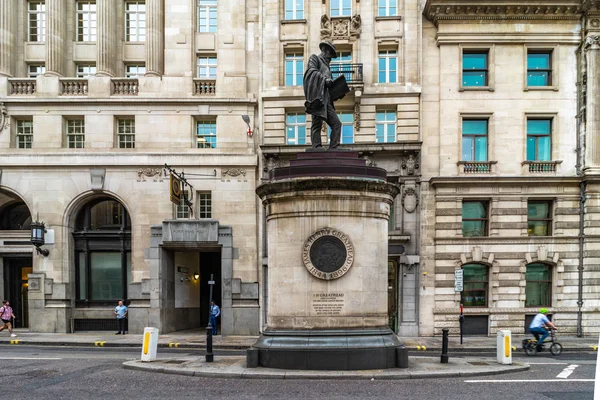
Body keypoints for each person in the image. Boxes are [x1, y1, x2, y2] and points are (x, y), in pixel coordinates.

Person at [303, 41, 342, 149]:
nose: (331, 58)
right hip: (318, 97)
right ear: (325, 50)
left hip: (328, 100)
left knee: (337, 124)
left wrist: (338, 91)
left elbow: (329, 85)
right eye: (331, 55)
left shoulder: (327, 67)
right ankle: (316, 146)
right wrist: (325, 80)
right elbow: (311, 72)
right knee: (317, 123)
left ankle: (334, 147)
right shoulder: (315, 58)